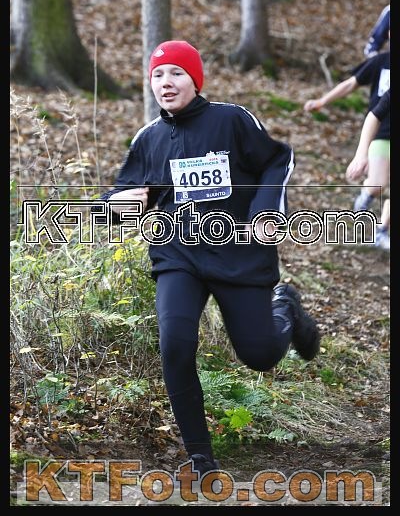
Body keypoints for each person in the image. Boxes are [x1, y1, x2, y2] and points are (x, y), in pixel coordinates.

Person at [98, 40, 320, 476]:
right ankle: (201, 456)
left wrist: (265, 212)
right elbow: (115, 203)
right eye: (158, 75)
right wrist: (118, 203)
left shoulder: (231, 120)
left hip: (239, 254)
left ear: (195, 80)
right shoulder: (149, 138)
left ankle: (286, 308)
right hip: (178, 256)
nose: (166, 82)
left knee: (259, 355)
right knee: (175, 345)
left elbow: (279, 159)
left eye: (176, 73)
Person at [304, 47, 389, 212]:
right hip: (381, 133)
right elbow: (351, 84)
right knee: (377, 185)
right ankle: (367, 194)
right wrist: (322, 101)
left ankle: (384, 224)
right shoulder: (380, 61)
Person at [346, 88, 390, 251]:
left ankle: (381, 231)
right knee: (377, 185)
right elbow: (373, 116)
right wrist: (361, 155)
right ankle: (366, 194)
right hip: (384, 136)